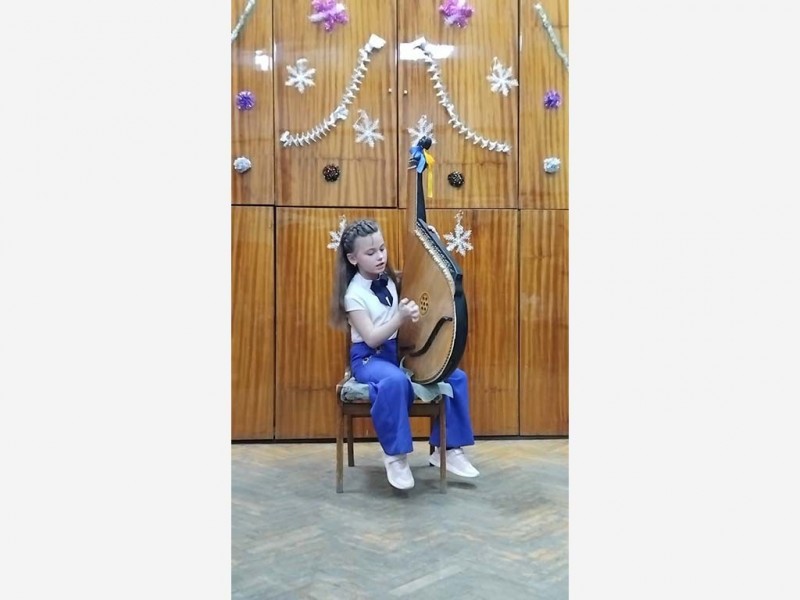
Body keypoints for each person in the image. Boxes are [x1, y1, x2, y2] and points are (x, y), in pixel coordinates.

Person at [330, 218, 479, 490]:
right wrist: (399, 318)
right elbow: (372, 338)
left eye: (382, 249)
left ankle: (447, 449)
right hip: (369, 358)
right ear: (353, 258)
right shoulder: (354, 295)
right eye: (370, 252)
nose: (380, 256)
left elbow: (425, 271)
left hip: (397, 354)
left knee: (455, 376)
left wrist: (434, 243)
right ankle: (395, 456)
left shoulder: (389, 279)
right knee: (395, 381)